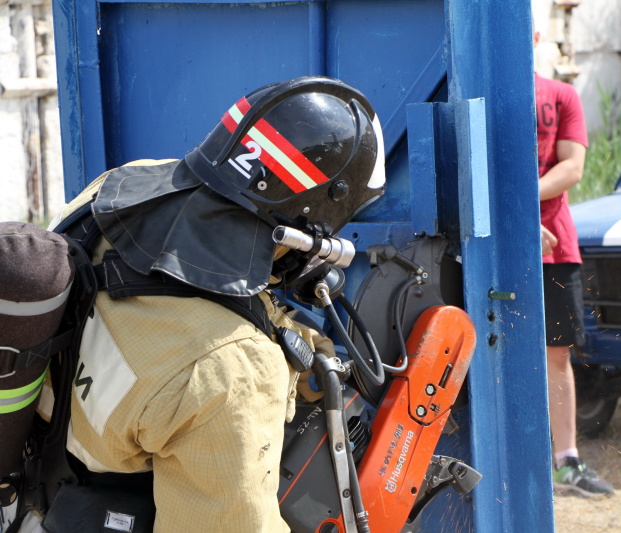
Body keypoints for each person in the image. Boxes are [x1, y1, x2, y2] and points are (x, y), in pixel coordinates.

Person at [17, 76, 386, 532]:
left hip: (31, 461)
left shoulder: (119, 188)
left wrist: (286, 340)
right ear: (311, 217)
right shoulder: (231, 371)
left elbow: (166, 299)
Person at [534, 31, 614, 497]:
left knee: (556, 353)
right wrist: (515, 224)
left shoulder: (562, 95)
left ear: (536, 33)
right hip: (490, 244)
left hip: (554, 247)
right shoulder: (475, 93)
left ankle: (567, 462)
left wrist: (520, 207)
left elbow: (572, 168)